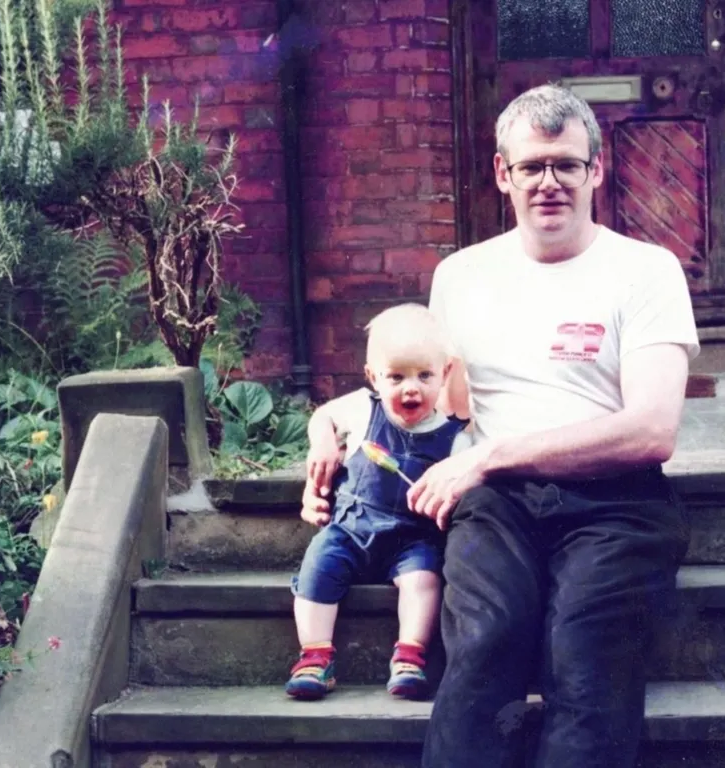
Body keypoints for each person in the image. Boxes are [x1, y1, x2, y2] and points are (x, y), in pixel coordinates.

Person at [411, 84, 701, 767]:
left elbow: (652, 430)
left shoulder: (646, 271)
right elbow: (417, 385)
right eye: (533, 166)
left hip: (617, 501)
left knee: (584, 650)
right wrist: (329, 429)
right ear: (502, 174)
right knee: (486, 640)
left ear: (596, 170)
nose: (550, 183)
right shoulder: (460, 276)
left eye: (566, 165)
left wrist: (495, 452)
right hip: (497, 504)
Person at [288, 303, 470, 702]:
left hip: (412, 539)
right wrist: (322, 444)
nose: (411, 388)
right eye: (397, 376)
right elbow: (323, 417)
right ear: (373, 377)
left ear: (446, 373)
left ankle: (409, 655)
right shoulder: (362, 407)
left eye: (425, 375)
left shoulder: (454, 437)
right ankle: (315, 656)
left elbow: (464, 483)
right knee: (318, 565)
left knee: (424, 581)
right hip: (350, 528)